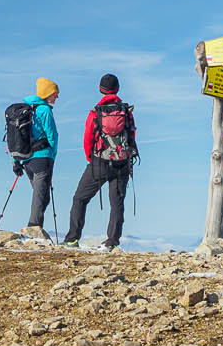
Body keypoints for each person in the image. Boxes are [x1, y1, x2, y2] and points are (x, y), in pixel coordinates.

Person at [61, 73, 138, 250]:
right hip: (122, 162)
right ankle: (112, 241)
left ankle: (72, 238)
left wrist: (91, 157)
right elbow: (132, 134)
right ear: (117, 89)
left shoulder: (95, 112)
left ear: (100, 90)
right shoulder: (126, 111)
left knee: (80, 198)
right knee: (117, 203)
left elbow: (87, 137)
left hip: (99, 162)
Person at [14, 78, 61, 236]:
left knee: (41, 195)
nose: (57, 97)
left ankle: (34, 228)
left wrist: (16, 161)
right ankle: (33, 229)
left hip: (27, 161)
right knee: (41, 196)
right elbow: (52, 135)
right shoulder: (44, 111)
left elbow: (17, 138)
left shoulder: (26, 110)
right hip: (43, 158)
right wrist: (53, 155)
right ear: (48, 94)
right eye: (55, 93)